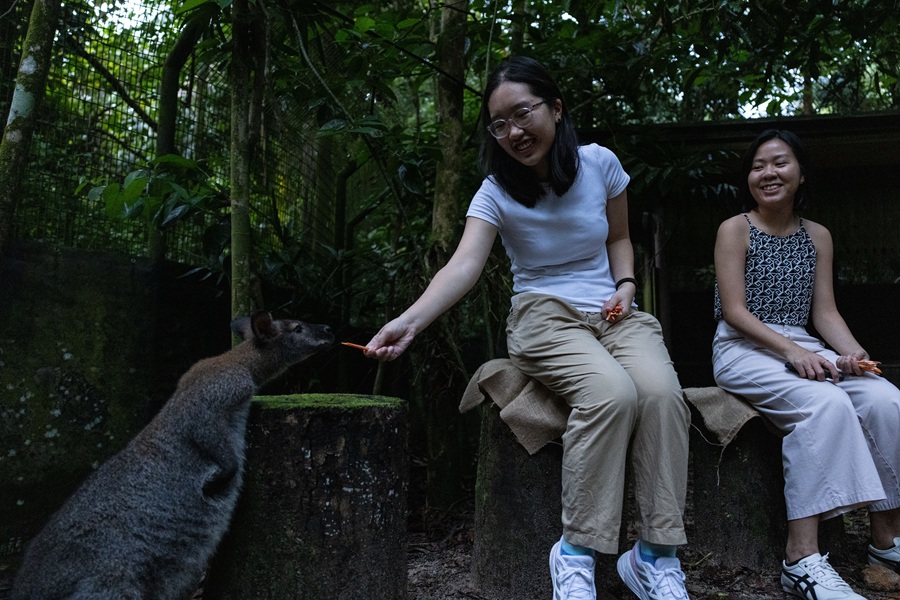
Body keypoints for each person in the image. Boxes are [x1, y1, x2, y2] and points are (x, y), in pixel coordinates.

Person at [364, 56, 691, 600]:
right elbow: (464, 265)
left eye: (523, 114)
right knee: (610, 395)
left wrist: (627, 284)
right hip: (543, 316)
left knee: (661, 395)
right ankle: (576, 553)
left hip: (613, 313)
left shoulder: (600, 163)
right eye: (499, 124)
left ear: (556, 109)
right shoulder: (495, 191)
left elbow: (618, 237)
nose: (514, 132)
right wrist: (410, 322)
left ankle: (654, 556)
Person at [712, 129, 900, 600]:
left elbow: (825, 314)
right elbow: (734, 312)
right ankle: (801, 560)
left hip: (806, 344)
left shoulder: (818, 235)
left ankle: (886, 540)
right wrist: (792, 352)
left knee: (885, 399)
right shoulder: (735, 228)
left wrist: (854, 356)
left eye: (779, 163)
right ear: (748, 178)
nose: (768, 173)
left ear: (800, 173)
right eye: (758, 165)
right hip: (742, 347)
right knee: (825, 405)